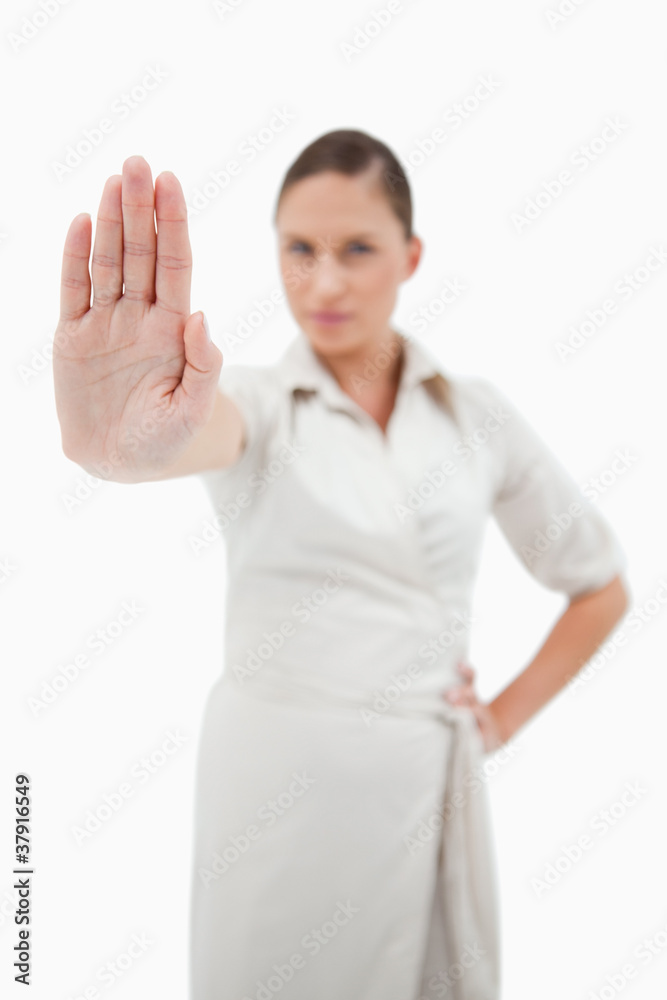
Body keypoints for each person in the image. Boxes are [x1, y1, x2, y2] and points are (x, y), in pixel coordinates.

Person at [53, 128, 630, 1000]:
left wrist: (496, 723)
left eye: (356, 249)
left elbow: (599, 585)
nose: (323, 282)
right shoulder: (251, 401)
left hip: (429, 788)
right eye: (299, 250)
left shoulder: (474, 416)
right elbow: (183, 437)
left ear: (411, 254)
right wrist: (117, 446)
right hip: (274, 800)